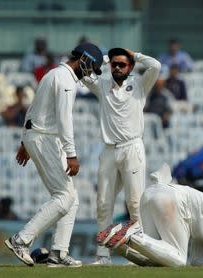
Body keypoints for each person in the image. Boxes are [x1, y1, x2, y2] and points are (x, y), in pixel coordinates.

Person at [5, 42, 103, 267]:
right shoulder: (66, 81)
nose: (90, 73)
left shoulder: (53, 74)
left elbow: (33, 109)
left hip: (37, 135)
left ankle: (58, 253)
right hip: (45, 137)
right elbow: (64, 120)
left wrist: (24, 141)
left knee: (72, 198)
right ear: (84, 59)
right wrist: (71, 154)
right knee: (64, 196)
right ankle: (21, 240)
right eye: (91, 67)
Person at [82, 47, 161, 265]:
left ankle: (141, 254)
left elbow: (156, 65)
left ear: (131, 67)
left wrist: (134, 55)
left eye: (122, 64)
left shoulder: (139, 85)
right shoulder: (102, 85)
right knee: (103, 203)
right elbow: (83, 72)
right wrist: (104, 58)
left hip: (132, 148)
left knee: (135, 204)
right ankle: (102, 255)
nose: (117, 67)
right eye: (114, 64)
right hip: (108, 150)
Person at [96, 164, 203, 267]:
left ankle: (118, 243)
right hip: (170, 199)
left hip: (152, 193)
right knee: (179, 260)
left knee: (154, 260)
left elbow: (196, 261)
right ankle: (132, 234)